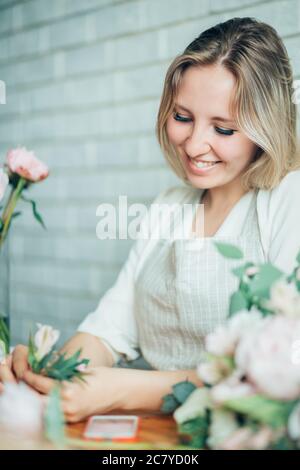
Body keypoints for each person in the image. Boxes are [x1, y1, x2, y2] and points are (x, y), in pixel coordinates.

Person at [1, 17, 300, 423]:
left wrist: (123, 391)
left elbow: (281, 372)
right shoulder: (167, 207)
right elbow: (109, 330)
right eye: (182, 117)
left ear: (266, 129)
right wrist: (49, 373)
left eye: (224, 128)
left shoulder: (287, 200)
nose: (195, 144)